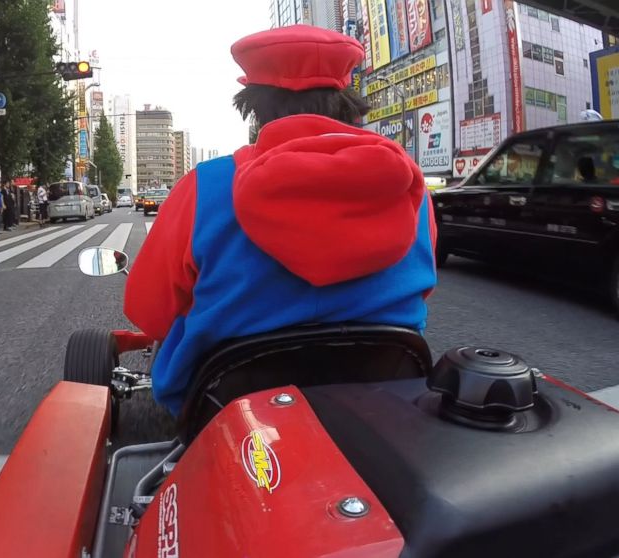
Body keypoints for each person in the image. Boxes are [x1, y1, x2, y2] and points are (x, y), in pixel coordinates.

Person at [123, 25, 437, 415]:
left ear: (253, 107)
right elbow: (420, 289)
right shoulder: (410, 189)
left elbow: (150, 314)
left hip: (224, 409)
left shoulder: (204, 186)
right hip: (387, 399)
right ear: (347, 99)